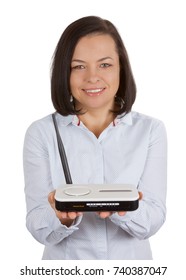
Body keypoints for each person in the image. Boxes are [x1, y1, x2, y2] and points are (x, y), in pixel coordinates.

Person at [23, 16, 167, 260]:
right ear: (64, 73)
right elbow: (36, 222)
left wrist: (125, 210)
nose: (92, 77)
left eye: (104, 65)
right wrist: (59, 217)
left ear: (121, 67)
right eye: (78, 66)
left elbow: (153, 219)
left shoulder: (150, 130)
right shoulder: (41, 133)